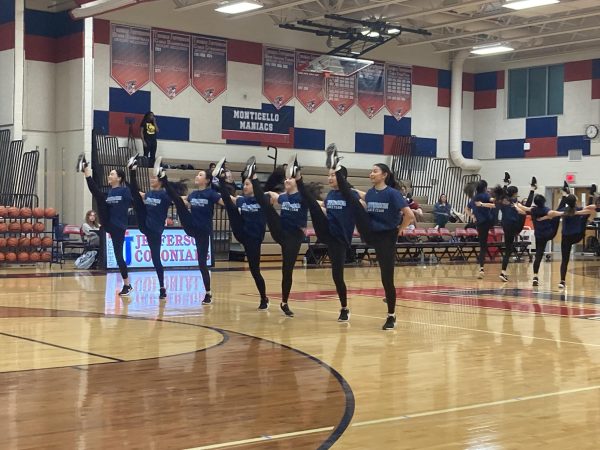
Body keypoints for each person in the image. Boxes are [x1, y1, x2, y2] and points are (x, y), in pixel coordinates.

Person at [331, 145, 414, 330]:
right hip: (370, 233)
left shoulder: (392, 193)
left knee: (387, 278)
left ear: (384, 175)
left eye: (375, 171)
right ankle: (337, 168)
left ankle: (391, 315)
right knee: (355, 200)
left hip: (386, 237)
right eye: (371, 171)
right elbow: (363, 201)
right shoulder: (370, 193)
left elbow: (409, 215)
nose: (371, 174)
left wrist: (399, 230)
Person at [295, 154, 357, 322]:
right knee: (313, 204)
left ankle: (344, 307)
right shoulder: (330, 195)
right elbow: (327, 210)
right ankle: (298, 178)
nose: (329, 178)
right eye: (328, 175)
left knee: (337, 276)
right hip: (326, 232)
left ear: (342, 177)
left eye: (333, 175)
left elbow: (362, 205)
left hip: (340, 240)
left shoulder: (351, 194)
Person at [158, 158, 225, 304]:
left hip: (203, 231)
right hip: (191, 226)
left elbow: (225, 202)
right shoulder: (193, 195)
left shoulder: (211, 194)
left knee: (201, 263)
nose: (197, 176)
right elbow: (182, 200)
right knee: (178, 202)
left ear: (207, 181)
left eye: (200, 175)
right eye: (198, 174)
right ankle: (164, 180)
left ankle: (208, 293)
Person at [249, 156, 308, 318]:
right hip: (281, 230)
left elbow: (313, 201)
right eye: (286, 178)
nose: (287, 180)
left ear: (297, 180)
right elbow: (273, 197)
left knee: (286, 270)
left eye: (291, 178)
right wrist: (268, 193)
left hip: (294, 236)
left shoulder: (303, 197)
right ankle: (253, 176)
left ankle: (284, 302)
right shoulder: (283, 196)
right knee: (267, 206)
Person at [214, 159, 270, 310]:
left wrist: (254, 176)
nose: (244, 187)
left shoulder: (263, 199)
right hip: (242, 233)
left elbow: (266, 194)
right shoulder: (241, 200)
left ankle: (264, 297)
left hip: (254, 239)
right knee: (231, 207)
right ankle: (219, 177)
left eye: (247, 184)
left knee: (254, 270)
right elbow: (227, 199)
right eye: (244, 184)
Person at [77, 154, 132, 296]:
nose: (109, 176)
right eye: (109, 174)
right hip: (109, 225)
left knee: (119, 256)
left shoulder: (125, 191)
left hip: (119, 226)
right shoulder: (109, 193)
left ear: (119, 178)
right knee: (98, 195)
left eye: (112, 174)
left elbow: (136, 197)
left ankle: (127, 284)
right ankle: (86, 171)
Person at [127, 155, 171, 299]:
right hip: (144, 223)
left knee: (156, 259)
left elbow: (178, 198)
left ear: (160, 181)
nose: (151, 180)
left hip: (155, 230)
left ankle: (162, 287)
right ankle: (132, 171)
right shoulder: (149, 193)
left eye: (154, 179)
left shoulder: (165, 196)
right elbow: (140, 194)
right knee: (136, 196)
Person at [465, 180, 493, 279]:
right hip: (488, 221)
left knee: (482, 246)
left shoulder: (473, 198)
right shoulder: (486, 196)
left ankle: (481, 268)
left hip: (479, 223)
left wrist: (472, 215)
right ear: (485, 188)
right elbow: (494, 205)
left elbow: (467, 208)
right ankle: (481, 267)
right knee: (484, 246)